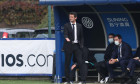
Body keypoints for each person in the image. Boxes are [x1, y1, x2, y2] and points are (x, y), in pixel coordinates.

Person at [63, 12, 84, 84]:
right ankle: (68, 80)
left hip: (77, 46)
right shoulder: (66, 25)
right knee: (67, 63)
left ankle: (82, 80)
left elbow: (81, 37)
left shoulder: (79, 26)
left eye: (71, 17)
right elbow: (65, 34)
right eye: (69, 17)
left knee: (80, 62)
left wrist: (81, 45)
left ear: (75, 18)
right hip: (69, 46)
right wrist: (67, 38)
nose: (70, 18)